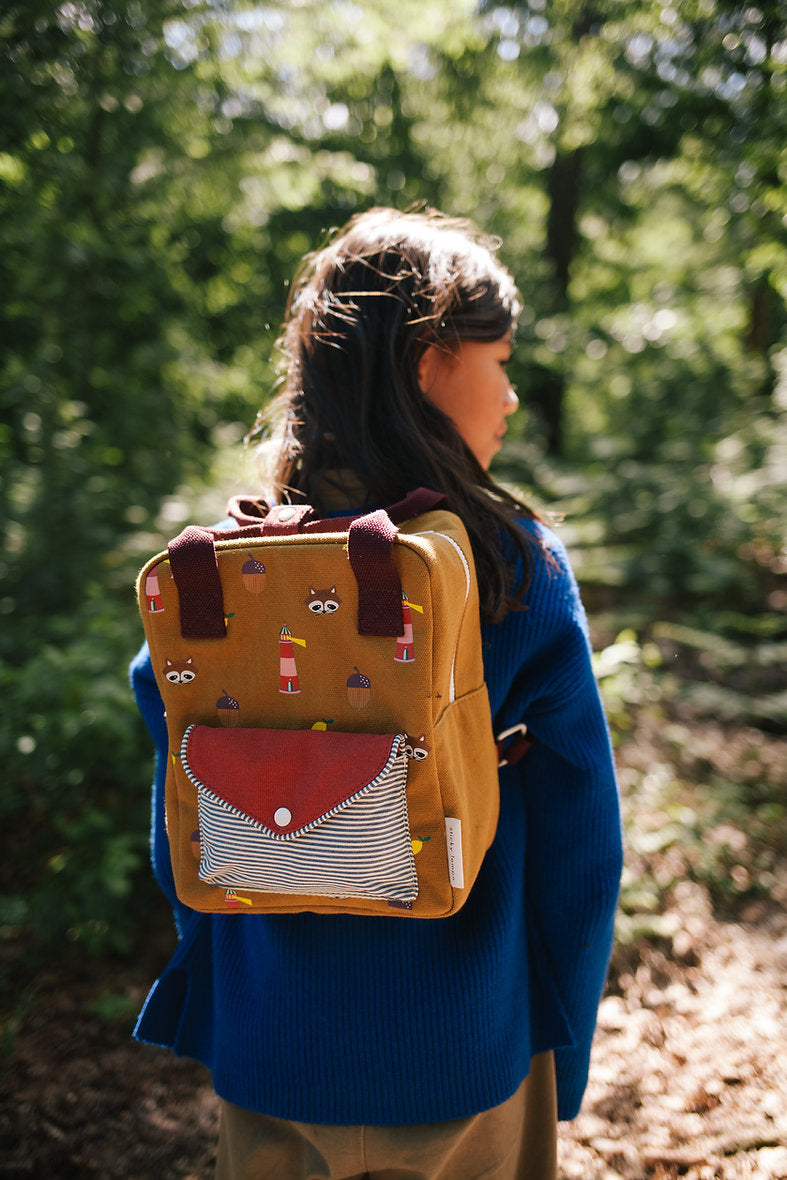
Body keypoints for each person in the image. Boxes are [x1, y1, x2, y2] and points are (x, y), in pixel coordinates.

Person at [130, 206, 623, 1179]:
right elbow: (583, 846)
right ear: (432, 360)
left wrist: (222, 1000)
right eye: (501, 359)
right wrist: (553, 1043)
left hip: (271, 1052)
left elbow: (181, 830)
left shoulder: (228, 576)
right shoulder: (509, 565)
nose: (512, 396)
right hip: (466, 1051)